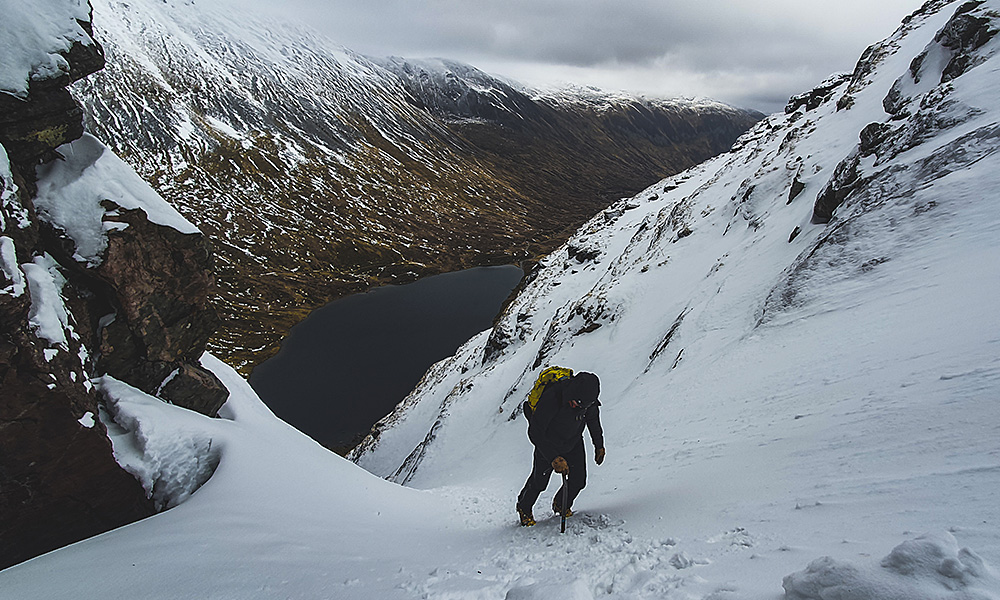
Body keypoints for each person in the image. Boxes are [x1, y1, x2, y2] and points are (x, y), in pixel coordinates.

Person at [516, 371, 605, 526]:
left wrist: (599, 445)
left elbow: (593, 420)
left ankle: (561, 503)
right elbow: (535, 432)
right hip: (548, 443)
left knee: (578, 480)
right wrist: (553, 458)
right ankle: (524, 507)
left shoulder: (587, 402)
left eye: (580, 405)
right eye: (575, 402)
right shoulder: (553, 397)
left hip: (573, 441)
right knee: (539, 482)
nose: (575, 406)